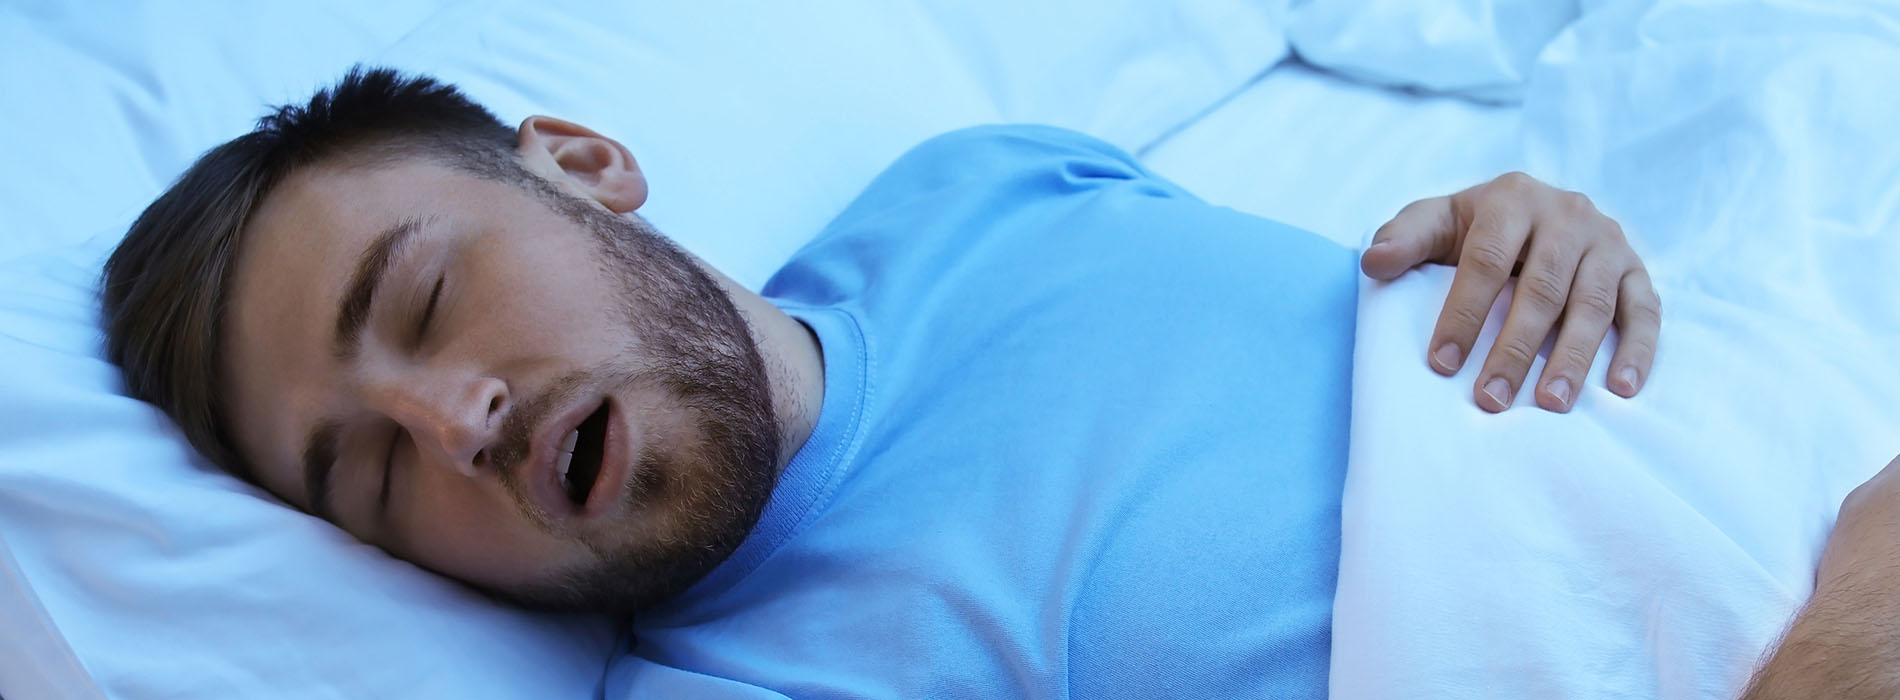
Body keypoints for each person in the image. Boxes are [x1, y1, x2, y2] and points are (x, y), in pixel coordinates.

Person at [109, 66, 1877, 699]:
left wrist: (1528, 225)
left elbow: (1332, 343)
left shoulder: (994, 179)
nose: (448, 424)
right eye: (365, 479)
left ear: (578, 161)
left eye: (424, 301)